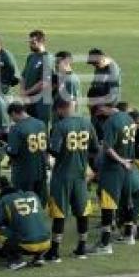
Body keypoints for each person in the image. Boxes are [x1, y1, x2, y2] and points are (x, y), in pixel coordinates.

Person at [45, 99, 98, 262]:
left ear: (62, 108)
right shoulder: (87, 123)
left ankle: (54, 251)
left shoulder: (61, 126)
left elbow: (54, 151)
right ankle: (81, 248)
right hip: (81, 175)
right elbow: (95, 149)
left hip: (63, 176)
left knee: (59, 213)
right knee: (83, 212)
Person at [90, 104, 136, 255]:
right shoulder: (128, 117)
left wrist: (121, 160)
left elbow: (108, 148)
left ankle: (105, 244)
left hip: (114, 168)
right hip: (128, 166)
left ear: (103, 108)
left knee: (108, 204)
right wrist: (125, 161)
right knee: (127, 200)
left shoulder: (111, 122)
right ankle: (129, 235)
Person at [0, 187, 51, 270]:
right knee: (34, 228)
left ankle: (15, 260)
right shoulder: (33, 195)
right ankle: (39, 257)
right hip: (46, 242)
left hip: (26, 244)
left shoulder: (6, 199)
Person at [5, 102, 49, 204]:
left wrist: (5, 147)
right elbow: (47, 146)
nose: (12, 120)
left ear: (14, 113)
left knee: (24, 202)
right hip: (41, 170)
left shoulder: (16, 128)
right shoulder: (41, 124)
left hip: (24, 173)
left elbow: (13, 152)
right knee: (39, 203)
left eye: (11, 117)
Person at [19, 30, 54, 128]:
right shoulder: (31, 57)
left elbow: (44, 82)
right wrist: (22, 91)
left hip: (42, 101)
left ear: (42, 42)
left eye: (33, 43)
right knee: (28, 125)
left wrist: (26, 92)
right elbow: (23, 76)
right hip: (29, 99)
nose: (30, 45)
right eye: (30, 42)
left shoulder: (47, 58)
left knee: (41, 126)